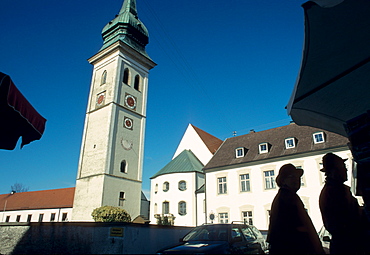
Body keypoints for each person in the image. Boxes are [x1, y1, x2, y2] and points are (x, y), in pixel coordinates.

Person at [267, 164, 325, 254]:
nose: (296, 180)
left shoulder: (286, 196)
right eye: (292, 176)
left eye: (298, 177)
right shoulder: (288, 197)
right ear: (283, 180)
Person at [319, 153, 367, 254]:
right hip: (348, 245)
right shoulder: (335, 192)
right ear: (333, 171)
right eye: (343, 167)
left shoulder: (334, 190)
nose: (346, 170)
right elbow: (348, 220)